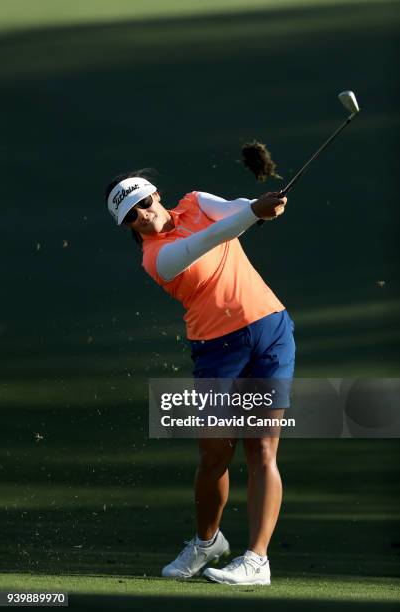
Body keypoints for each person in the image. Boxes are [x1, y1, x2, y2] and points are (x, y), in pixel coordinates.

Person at [106, 168, 295, 586]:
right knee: (215, 454)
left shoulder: (194, 201)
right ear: (129, 227)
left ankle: (257, 560)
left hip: (270, 330)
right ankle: (208, 542)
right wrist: (254, 215)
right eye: (132, 216)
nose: (143, 214)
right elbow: (208, 240)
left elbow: (234, 210)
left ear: (156, 194)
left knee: (262, 449)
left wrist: (260, 207)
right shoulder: (156, 258)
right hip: (216, 350)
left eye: (144, 202)